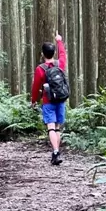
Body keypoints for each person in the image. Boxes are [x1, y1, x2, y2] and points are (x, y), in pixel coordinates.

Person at [31, 32, 69, 165]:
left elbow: (36, 87)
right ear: (53, 53)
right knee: (57, 127)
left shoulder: (40, 69)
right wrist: (59, 41)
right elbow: (63, 54)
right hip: (61, 99)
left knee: (51, 128)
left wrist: (34, 100)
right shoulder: (60, 64)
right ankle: (56, 151)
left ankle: (56, 152)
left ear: (43, 54)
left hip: (48, 101)